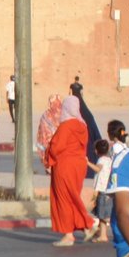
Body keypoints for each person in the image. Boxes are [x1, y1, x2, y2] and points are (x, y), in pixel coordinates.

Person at [44, 95, 99, 246]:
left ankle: (73, 232)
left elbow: (57, 147)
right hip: (79, 165)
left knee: (64, 198)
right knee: (72, 196)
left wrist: (48, 156)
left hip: (65, 165)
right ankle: (85, 228)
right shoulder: (83, 126)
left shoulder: (66, 126)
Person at [89, 139, 112, 243]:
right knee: (105, 213)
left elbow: (98, 169)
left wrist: (87, 163)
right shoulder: (109, 159)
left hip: (103, 190)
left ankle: (103, 235)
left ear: (96, 151)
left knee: (103, 214)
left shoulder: (101, 160)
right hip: (109, 189)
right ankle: (101, 233)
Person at [36, 94, 63, 160]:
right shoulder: (65, 115)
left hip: (49, 152)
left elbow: (42, 135)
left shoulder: (45, 116)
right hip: (61, 152)